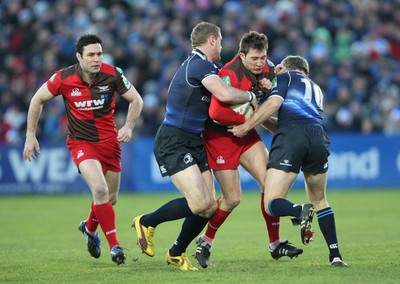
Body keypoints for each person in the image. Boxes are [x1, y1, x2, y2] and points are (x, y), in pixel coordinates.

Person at [131, 21, 258, 271]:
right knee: (200, 204)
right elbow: (225, 94)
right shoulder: (198, 64)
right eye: (220, 41)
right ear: (212, 40)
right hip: (174, 140)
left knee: (209, 207)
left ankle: (176, 252)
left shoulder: (209, 67)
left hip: (194, 140)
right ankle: (146, 221)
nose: (222, 45)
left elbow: (235, 77)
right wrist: (252, 97)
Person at [23, 34, 143, 266]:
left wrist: (128, 126)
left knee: (110, 198)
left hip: (110, 143)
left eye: (99, 54)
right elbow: (37, 100)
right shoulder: (63, 78)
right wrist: (30, 135)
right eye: (91, 55)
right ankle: (115, 246)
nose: (96, 59)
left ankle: (89, 227)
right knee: (98, 189)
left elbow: (136, 100)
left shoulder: (113, 74)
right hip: (81, 143)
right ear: (79, 56)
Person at [194, 31, 303, 269]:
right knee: (232, 198)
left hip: (247, 134)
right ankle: (205, 241)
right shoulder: (228, 74)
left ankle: (275, 245)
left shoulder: (269, 68)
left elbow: (285, 79)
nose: (259, 63)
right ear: (242, 55)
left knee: (270, 185)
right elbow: (215, 113)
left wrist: (271, 86)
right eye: (254, 58)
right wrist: (249, 116)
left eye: (262, 57)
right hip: (220, 137)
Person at [230, 55, 347, 267]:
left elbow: (275, 105)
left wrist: (246, 126)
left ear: (284, 67)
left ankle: (299, 210)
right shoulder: (315, 88)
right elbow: (284, 120)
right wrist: (261, 112)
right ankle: (336, 255)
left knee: (271, 203)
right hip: (318, 137)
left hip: (292, 138)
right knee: (320, 200)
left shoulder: (286, 78)